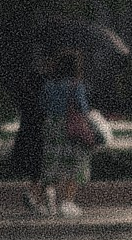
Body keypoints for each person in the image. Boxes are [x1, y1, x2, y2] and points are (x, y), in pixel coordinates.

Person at [29, 52, 91, 216]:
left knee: (52, 165)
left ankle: (40, 199)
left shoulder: (49, 85)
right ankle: (67, 203)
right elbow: (83, 108)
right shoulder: (76, 85)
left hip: (51, 126)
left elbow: (42, 105)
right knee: (76, 164)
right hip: (72, 128)